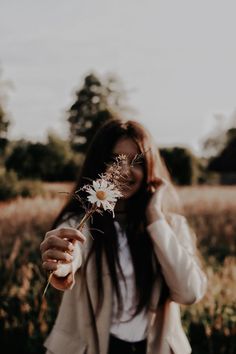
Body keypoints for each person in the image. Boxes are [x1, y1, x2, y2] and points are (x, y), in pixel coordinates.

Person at [40, 118, 207, 354]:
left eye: (135, 162)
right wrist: (63, 264)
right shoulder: (81, 221)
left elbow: (190, 292)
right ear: (98, 165)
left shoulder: (170, 226)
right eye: (113, 160)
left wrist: (155, 219)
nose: (125, 171)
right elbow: (74, 250)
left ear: (149, 167)